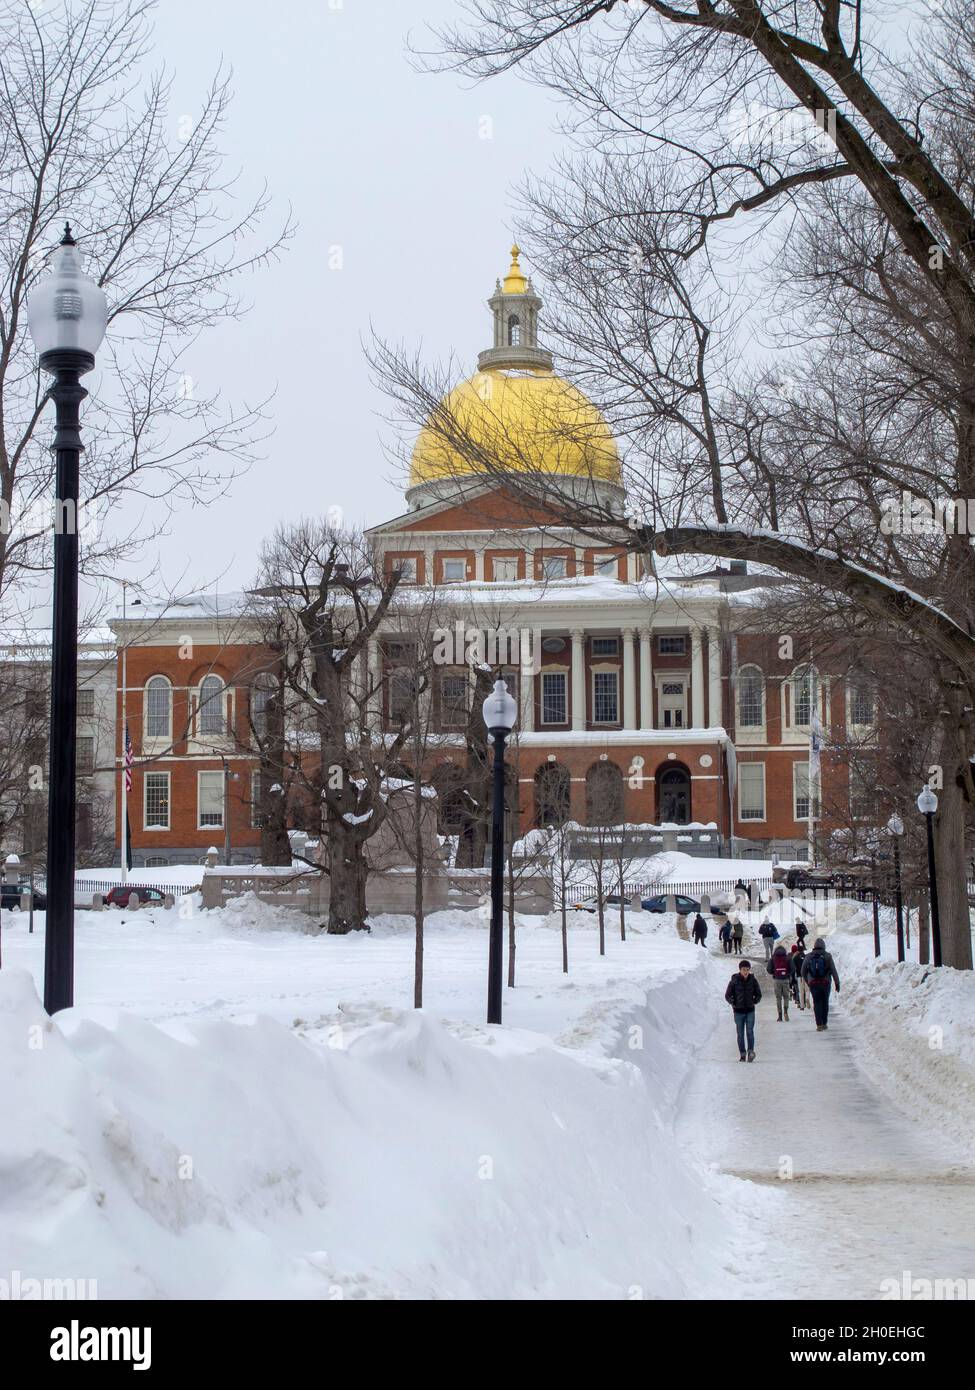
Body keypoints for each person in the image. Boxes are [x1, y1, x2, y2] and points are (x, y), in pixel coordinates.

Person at [725, 959, 761, 1061]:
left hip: (750, 1011)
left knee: (750, 1032)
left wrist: (755, 1000)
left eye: (747, 970)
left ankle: (750, 1052)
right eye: (744, 970)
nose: (746, 972)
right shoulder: (734, 981)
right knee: (740, 1034)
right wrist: (733, 1002)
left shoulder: (753, 980)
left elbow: (759, 994)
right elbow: (727, 995)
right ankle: (742, 1053)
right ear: (740, 970)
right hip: (738, 1012)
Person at [801, 936, 841, 1030]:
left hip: (813, 984)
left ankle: (818, 1024)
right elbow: (833, 970)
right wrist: (837, 983)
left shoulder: (809, 956)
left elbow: (803, 971)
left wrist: (808, 981)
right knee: (825, 1002)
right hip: (825, 983)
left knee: (817, 1002)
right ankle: (824, 1023)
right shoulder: (827, 956)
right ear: (824, 946)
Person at [766, 943, 792, 1021]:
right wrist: (787, 973)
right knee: (786, 997)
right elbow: (793, 968)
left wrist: (774, 973)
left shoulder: (773, 958)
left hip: (777, 980)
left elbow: (769, 969)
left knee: (778, 998)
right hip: (786, 980)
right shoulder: (787, 958)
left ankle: (780, 1016)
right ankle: (786, 1012)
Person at [790, 941, 808, 1010]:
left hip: (798, 976)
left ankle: (801, 1005)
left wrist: (792, 977)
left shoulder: (795, 957)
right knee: (805, 990)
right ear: (803, 950)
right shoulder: (806, 957)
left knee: (800, 991)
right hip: (805, 976)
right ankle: (806, 999)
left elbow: (793, 968)